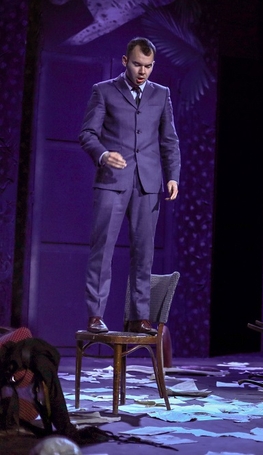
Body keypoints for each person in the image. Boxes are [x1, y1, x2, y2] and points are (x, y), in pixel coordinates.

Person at [79, 37, 181, 335]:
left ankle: (139, 316)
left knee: (144, 253)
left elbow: (169, 140)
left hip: (148, 183)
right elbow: (87, 134)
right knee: (103, 249)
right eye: (137, 64)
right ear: (126, 61)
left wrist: (173, 176)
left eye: (148, 66)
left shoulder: (161, 94)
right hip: (112, 182)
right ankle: (95, 315)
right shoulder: (104, 91)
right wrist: (103, 154)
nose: (142, 71)